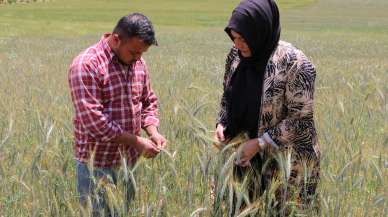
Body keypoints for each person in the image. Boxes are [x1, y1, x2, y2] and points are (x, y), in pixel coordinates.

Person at [214, 0, 320, 215]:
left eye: (243, 38)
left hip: (286, 168)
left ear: (260, 31)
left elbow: (301, 121)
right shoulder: (236, 56)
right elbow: (227, 96)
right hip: (243, 161)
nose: (237, 44)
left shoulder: (296, 63)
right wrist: (221, 124)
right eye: (233, 38)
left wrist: (260, 143)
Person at [68, 13, 167, 216]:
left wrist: (153, 132)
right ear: (116, 39)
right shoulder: (86, 65)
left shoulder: (138, 64)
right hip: (96, 166)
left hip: (129, 164)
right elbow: (95, 122)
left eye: (142, 53)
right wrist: (137, 142)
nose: (138, 58)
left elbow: (148, 102)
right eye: (133, 52)